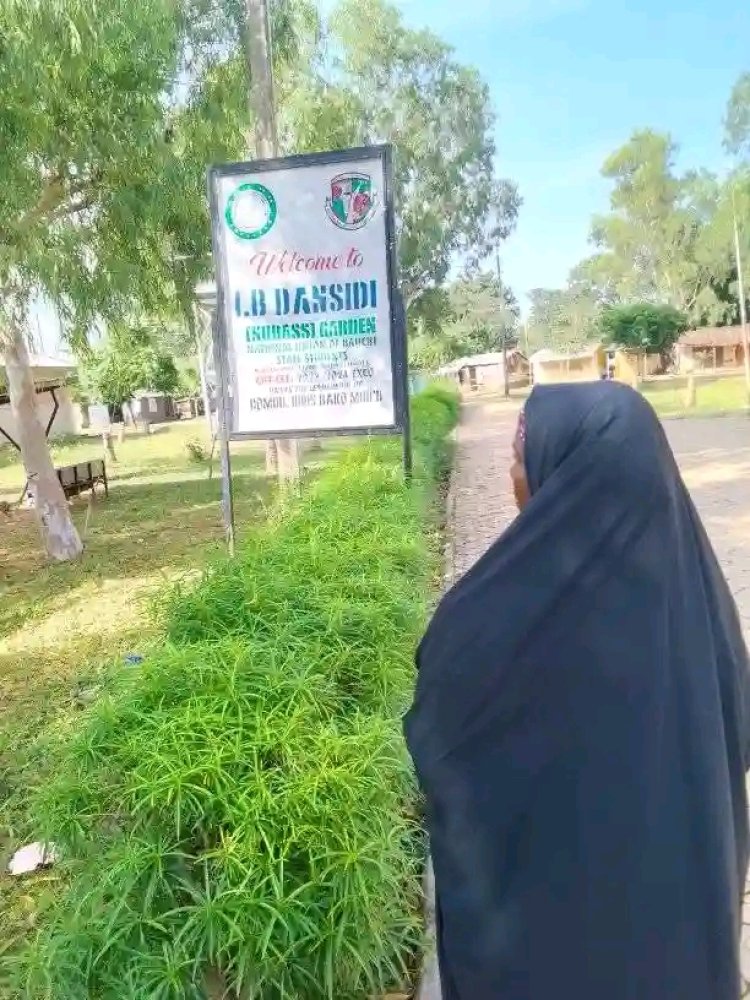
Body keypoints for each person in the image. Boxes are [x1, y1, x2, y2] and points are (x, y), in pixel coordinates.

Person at [405, 380, 750, 1000]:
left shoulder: (504, 611)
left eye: (520, 456)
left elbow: (443, 716)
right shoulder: (702, 605)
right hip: (683, 935)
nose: (513, 472)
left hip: (552, 943)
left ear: (569, 473)